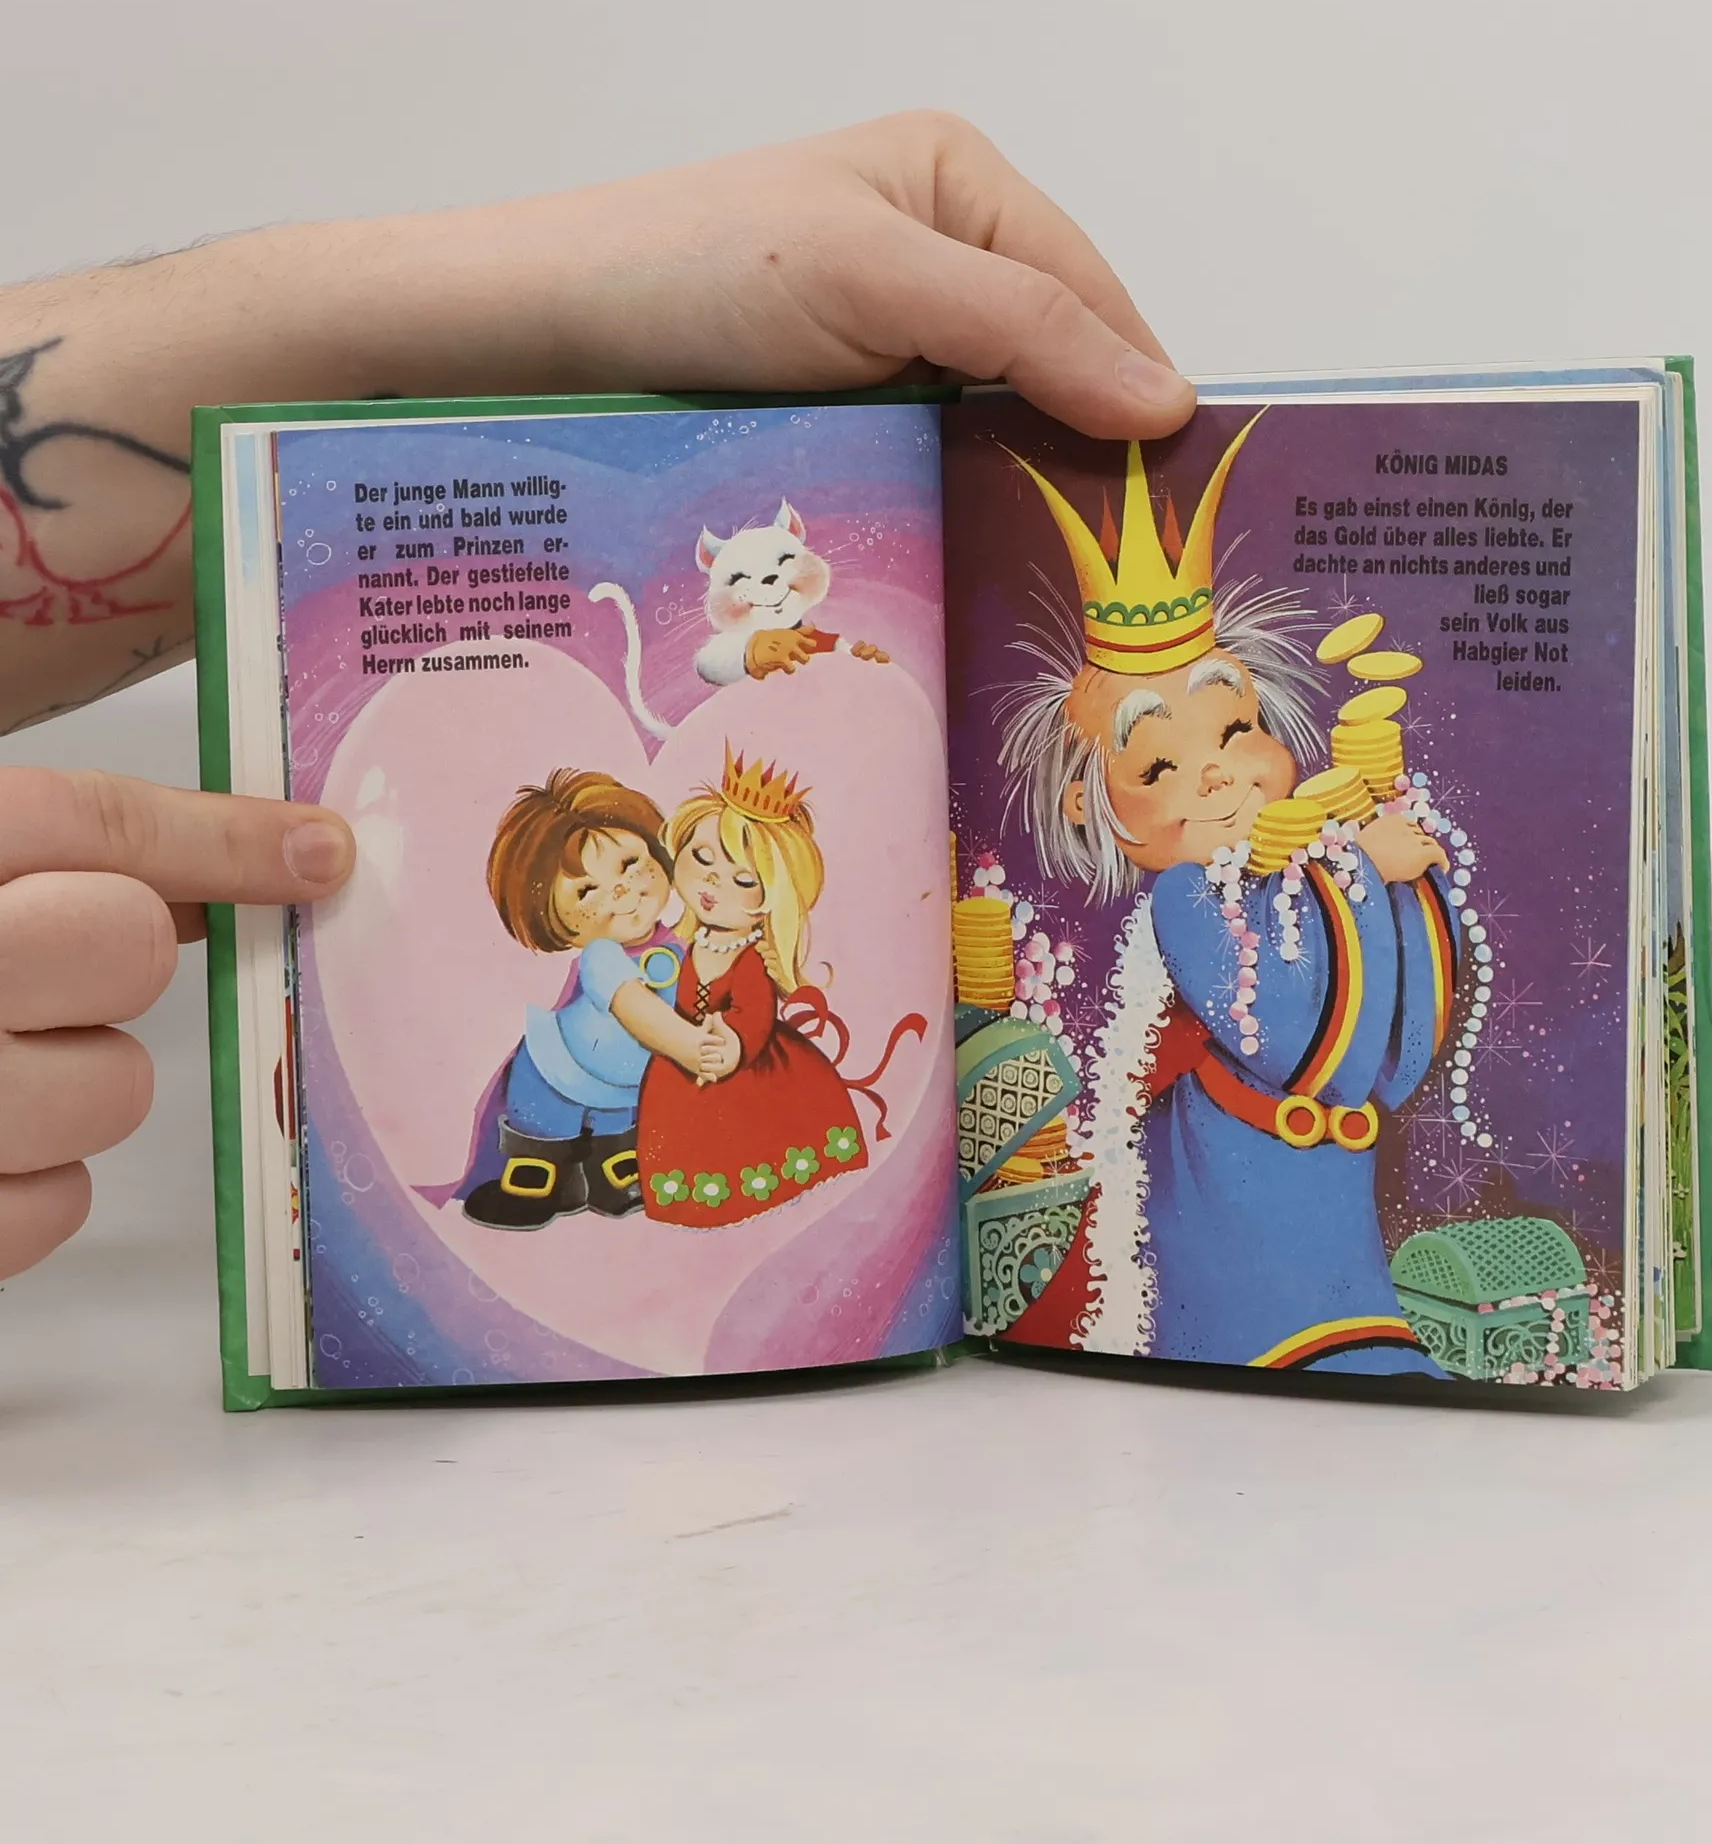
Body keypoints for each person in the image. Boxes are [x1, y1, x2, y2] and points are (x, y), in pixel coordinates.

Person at [0, 111, 1196, 1284]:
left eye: (644, 869)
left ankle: (617, 1162)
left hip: (669, 1081)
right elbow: (653, 1019)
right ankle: (548, 1164)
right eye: (619, 881)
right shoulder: (627, 967)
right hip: (585, 1079)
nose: (647, 889)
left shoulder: (685, 936)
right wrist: (700, 1038)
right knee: (579, 1126)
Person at [991, 423, 1461, 1376]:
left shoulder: (1312, 860)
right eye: (1158, 765)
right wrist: (1361, 871)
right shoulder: (1185, 900)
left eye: (1236, 729)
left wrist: (1395, 857)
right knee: (1290, 1351)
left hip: (1325, 1182)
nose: (1215, 774)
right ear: (1093, 805)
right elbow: (1295, 1043)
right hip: (1229, 1185)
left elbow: (1399, 1056)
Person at [441, 769, 729, 1232]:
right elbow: (637, 1011)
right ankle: (541, 1183)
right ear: (552, 917)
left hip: (625, 1084)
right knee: (544, 1144)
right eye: (586, 890)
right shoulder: (602, 957)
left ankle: (607, 1177)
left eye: (629, 863)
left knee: (618, 1148)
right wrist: (690, 1048)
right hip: (560, 1072)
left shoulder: (676, 945)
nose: (620, 890)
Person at [634, 749, 872, 1229]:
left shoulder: (750, 960)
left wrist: (733, 1044)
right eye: (702, 858)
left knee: (739, 1152)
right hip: (681, 1070)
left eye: (742, 879)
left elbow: (754, 1016)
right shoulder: (676, 947)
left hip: (744, 1073)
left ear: (771, 898)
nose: (713, 883)